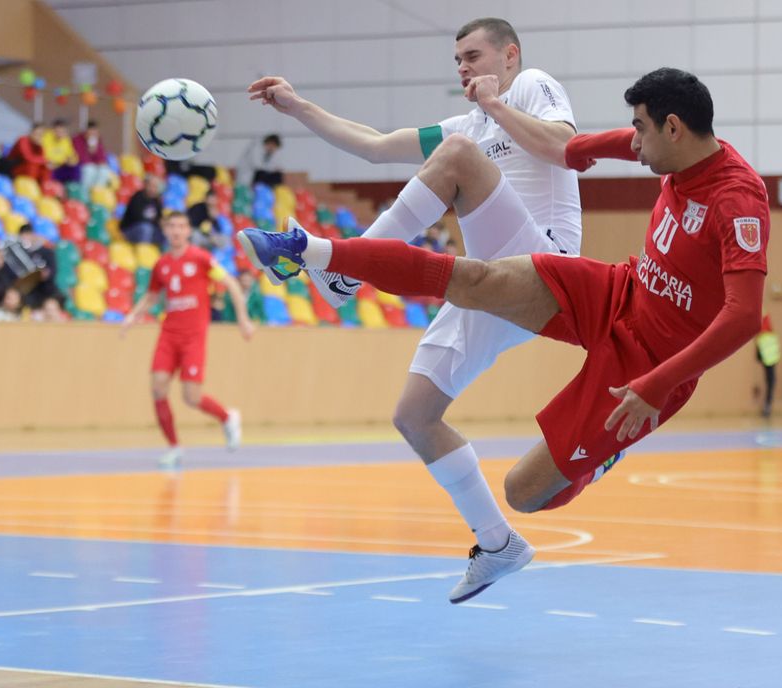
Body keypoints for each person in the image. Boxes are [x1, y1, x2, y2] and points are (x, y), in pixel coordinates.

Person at [239, 66, 770, 600]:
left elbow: (743, 316)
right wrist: (502, 111)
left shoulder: (736, 199)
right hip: (619, 292)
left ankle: (597, 457)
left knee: (524, 493)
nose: (633, 142)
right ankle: (311, 250)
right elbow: (570, 150)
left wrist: (657, 385)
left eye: (640, 129)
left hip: (650, 364)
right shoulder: (658, 149)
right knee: (476, 278)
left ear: (673, 128)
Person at [247, 17, 581, 603]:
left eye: (473, 56)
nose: (463, 68)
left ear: (510, 56)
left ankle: (345, 269)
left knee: (456, 156)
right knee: (415, 416)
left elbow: (565, 149)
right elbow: (375, 145)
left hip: (546, 267)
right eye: (456, 60)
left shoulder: (530, 86)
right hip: (492, 283)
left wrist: (498, 109)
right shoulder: (468, 125)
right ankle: (498, 542)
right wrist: (300, 108)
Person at [121, 212, 256, 466]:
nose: (176, 231)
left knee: (191, 397)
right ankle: (174, 447)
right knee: (158, 388)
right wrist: (131, 317)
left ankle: (227, 418)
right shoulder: (161, 265)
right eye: (171, 226)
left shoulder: (201, 258)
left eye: (181, 226)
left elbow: (232, 285)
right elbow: (151, 297)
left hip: (194, 336)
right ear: (165, 230)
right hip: (168, 335)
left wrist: (243, 320)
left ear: (187, 231)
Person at [120, 175, 164, 246]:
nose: (153, 189)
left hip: (149, 230)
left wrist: (163, 225)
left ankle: (166, 254)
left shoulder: (156, 201)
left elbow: (160, 218)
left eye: (155, 187)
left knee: (167, 232)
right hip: (130, 230)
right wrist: (155, 222)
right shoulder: (137, 197)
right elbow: (138, 218)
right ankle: (143, 253)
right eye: (151, 185)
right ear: (145, 185)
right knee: (146, 228)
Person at [72, 120, 111, 190]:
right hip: (81, 166)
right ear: (86, 132)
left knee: (104, 170)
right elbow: (80, 158)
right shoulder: (77, 139)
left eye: (95, 132)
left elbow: (102, 159)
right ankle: (85, 192)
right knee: (90, 170)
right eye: (91, 132)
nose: (92, 135)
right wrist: (88, 149)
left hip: (94, 166)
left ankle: (97, 191)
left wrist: (95, 150)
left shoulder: (97, 141)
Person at [755, 314, 780, 418]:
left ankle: (767, 406)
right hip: (770, 360)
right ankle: (767, 406)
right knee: (771, 382)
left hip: (769, 360)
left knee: (771, 382)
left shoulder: (763, 336)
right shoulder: (768, 335)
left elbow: (759, 354)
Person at [42, 118, 79, 183]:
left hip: (60, 165)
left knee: (75, 168)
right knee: (48, 167)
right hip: (49, 165)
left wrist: (71, 161)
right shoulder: (46, 137)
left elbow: (73, 156)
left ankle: (72, 187)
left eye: (63, 131)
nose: (61, 133)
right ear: (53, 130)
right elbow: (45, 155)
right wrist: (58, 161)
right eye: (59, 131)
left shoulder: (66, 140)